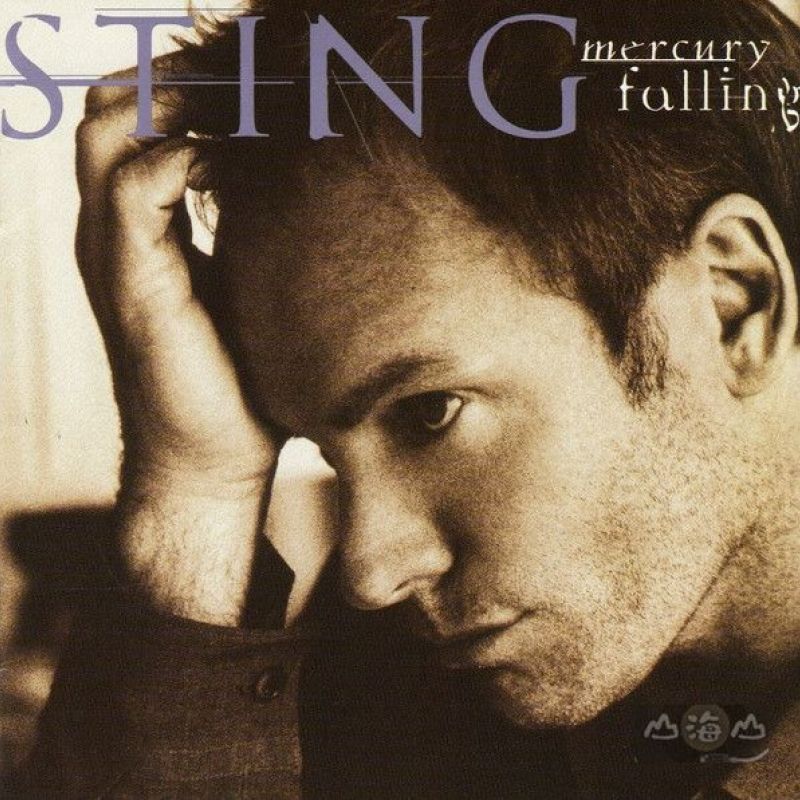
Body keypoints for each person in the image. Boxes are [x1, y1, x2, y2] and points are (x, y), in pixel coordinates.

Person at [23, 0, 800, 797]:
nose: (370, 572)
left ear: (734, 303)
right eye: (326, 453)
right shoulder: (397, 677)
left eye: (429, 413)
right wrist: (193, 489)